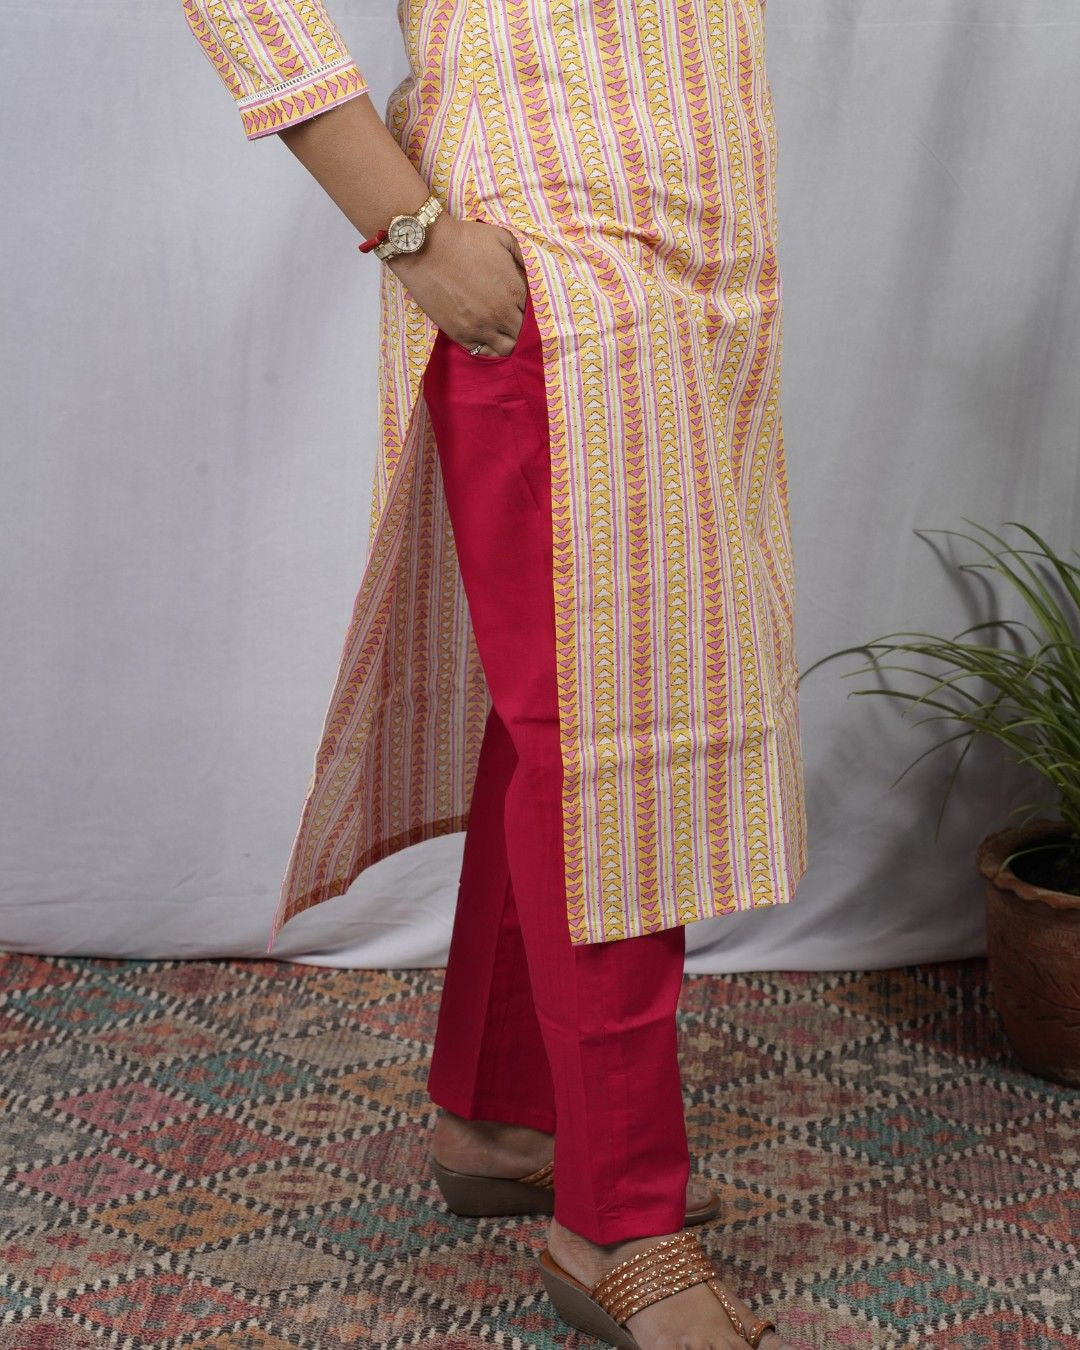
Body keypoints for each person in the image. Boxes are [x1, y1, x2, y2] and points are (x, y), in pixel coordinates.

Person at [181, 1, 806, 1345]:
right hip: (556, 279)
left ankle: (499, 1111)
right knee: (609, 736)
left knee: (575, 723)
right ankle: (618, 1222)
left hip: (700, 271)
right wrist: (413, 233)